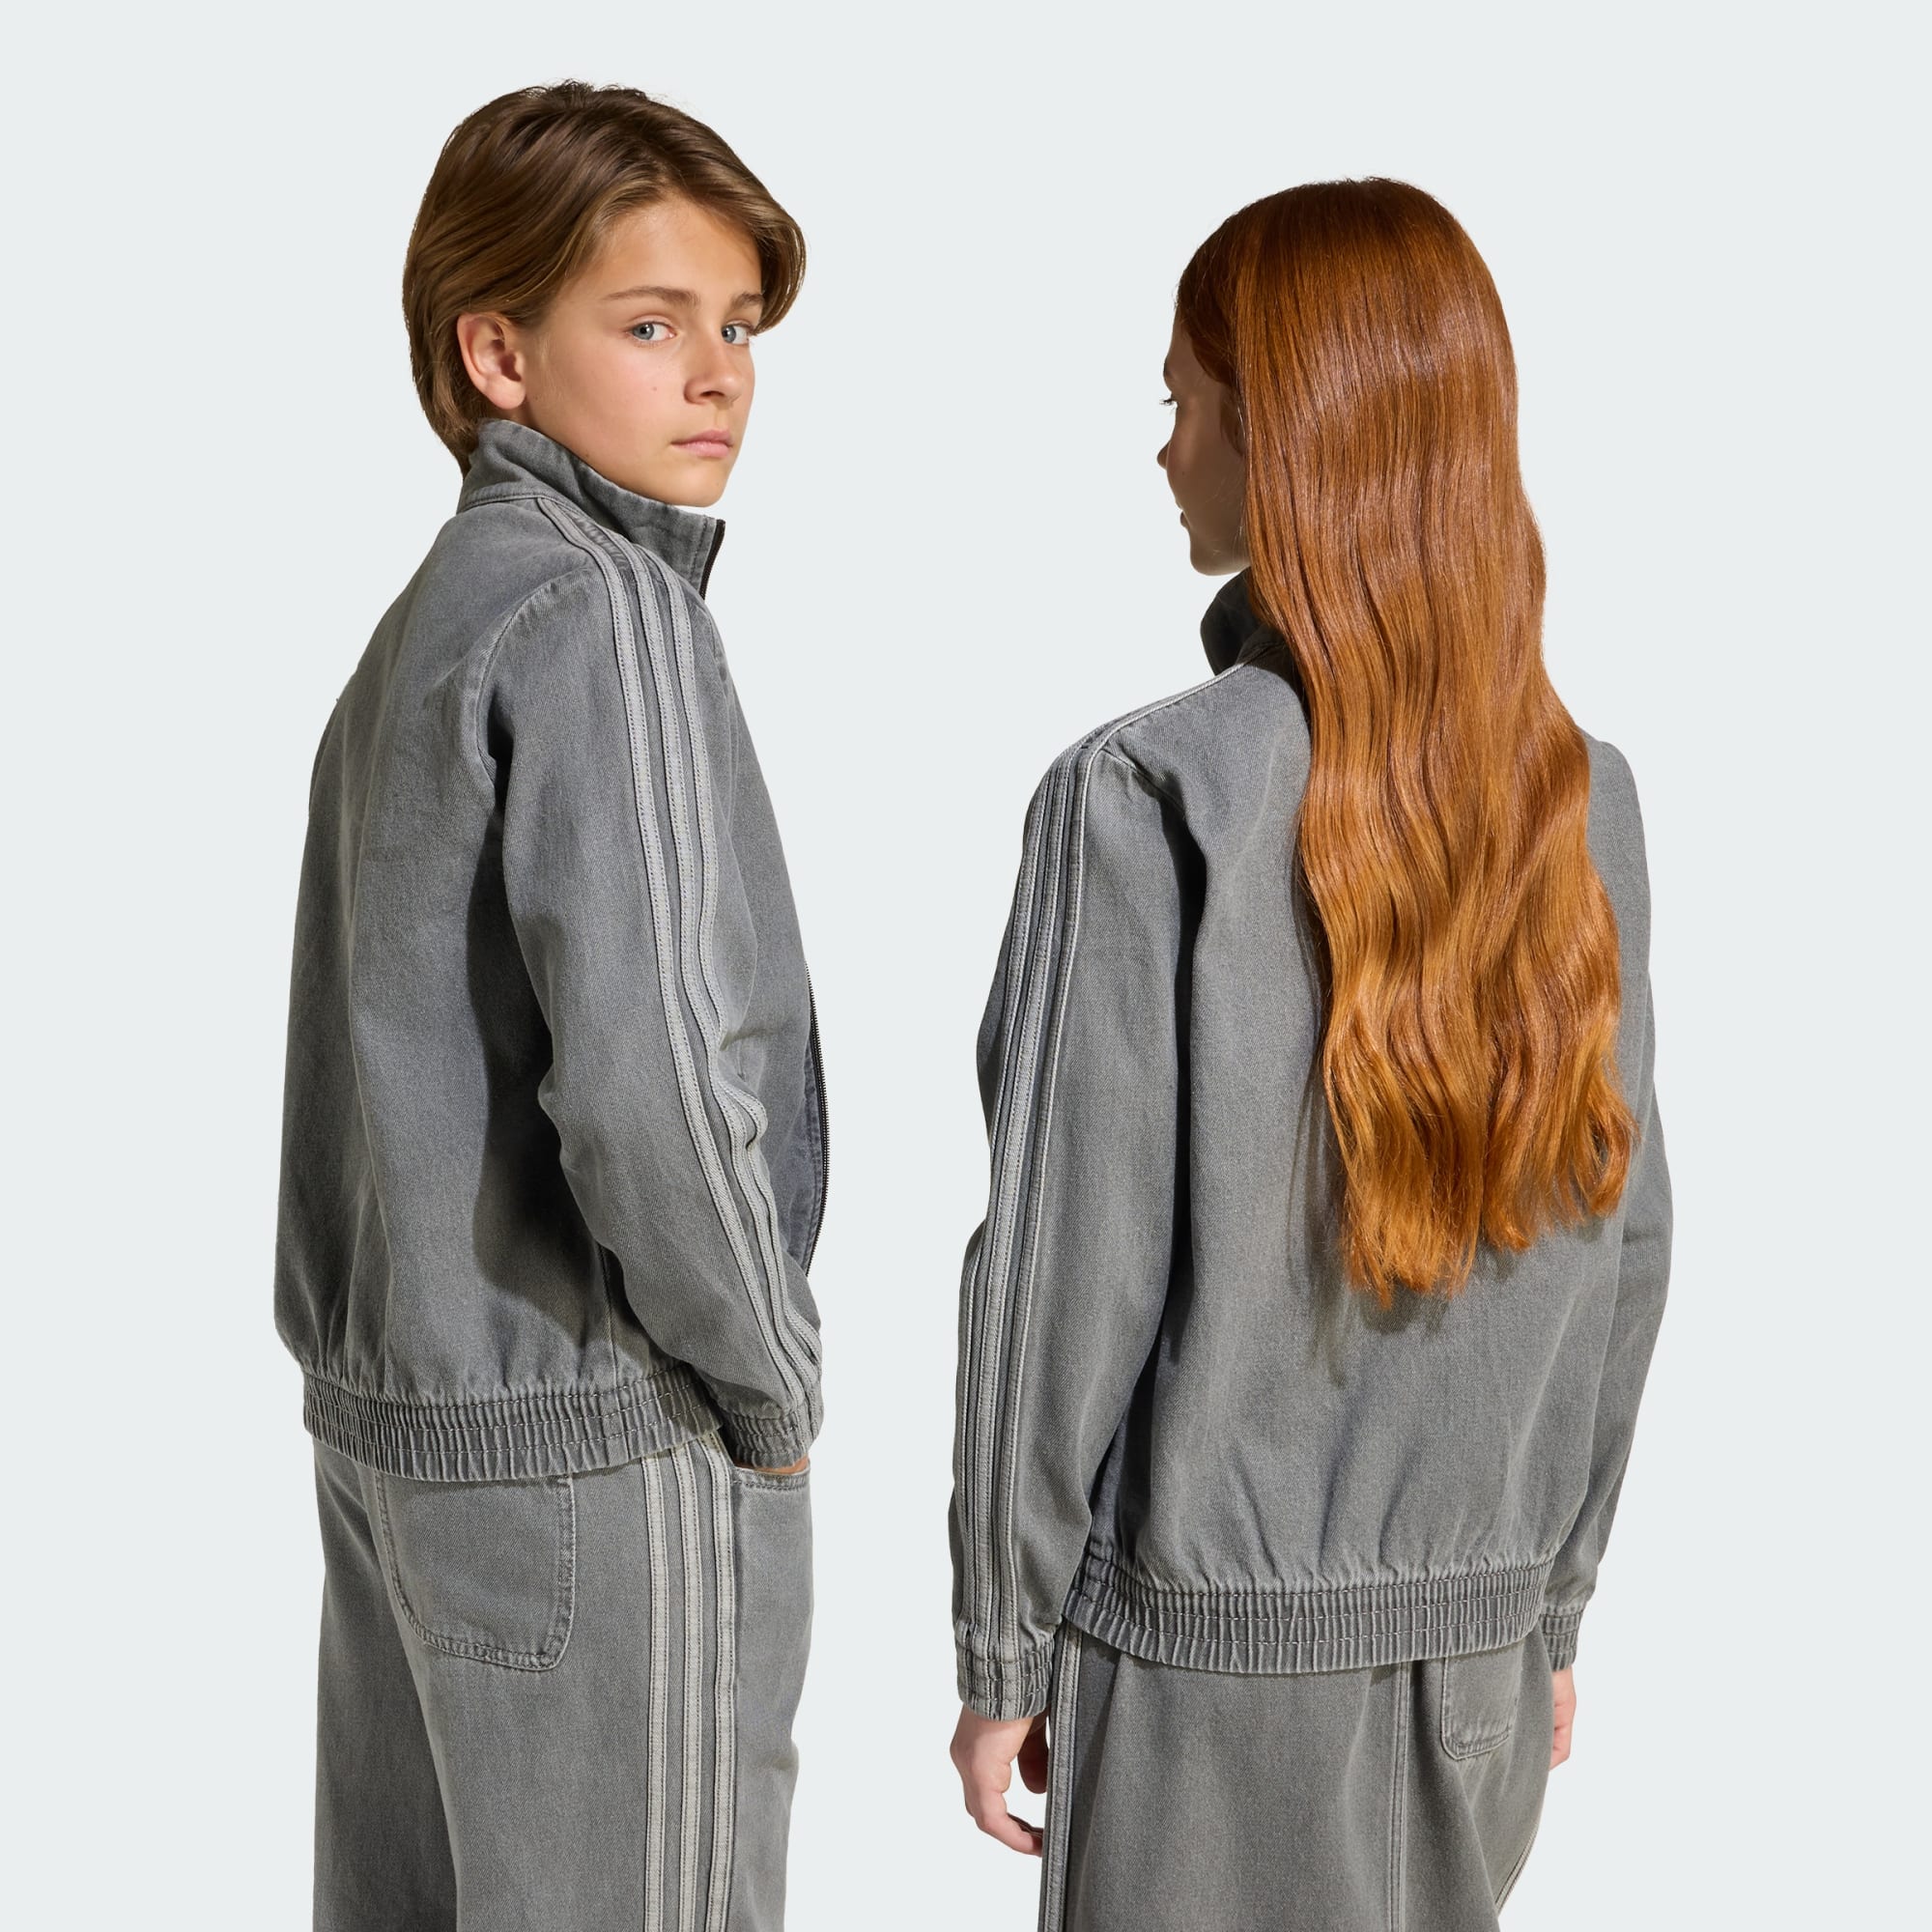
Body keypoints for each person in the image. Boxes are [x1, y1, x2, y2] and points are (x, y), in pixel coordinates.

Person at [947, 179, 1671, 1929]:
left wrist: (998, 1641)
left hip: (1205, 1679)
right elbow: (1625, 1245)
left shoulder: (1145, 796)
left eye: (1187, 401)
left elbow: (1060, 1269)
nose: (1166, 450)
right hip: (1480, 1676)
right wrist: (1547, 1603)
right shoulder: (1580, 800)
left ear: (1289, 434)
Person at [272, 82, 827, 1932]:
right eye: (651, 324)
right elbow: (656, 1076)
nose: (719, 375)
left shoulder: (429, 623)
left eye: (738, 326)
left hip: (401, 1450)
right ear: (495, 353)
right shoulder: (605, 613)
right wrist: (768, 1379)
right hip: (599, 1451)